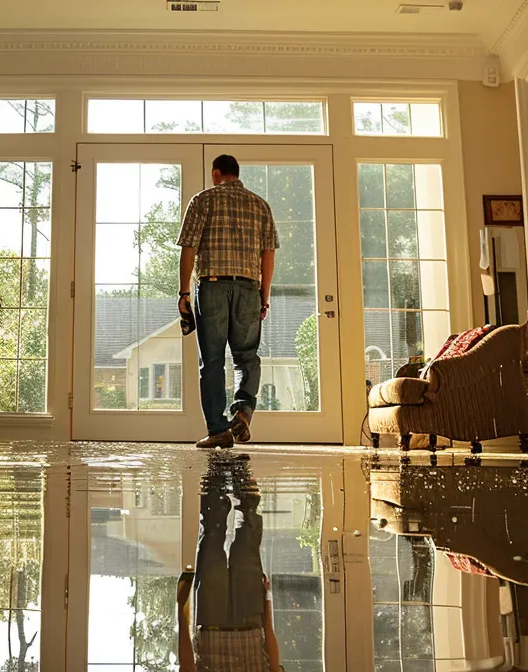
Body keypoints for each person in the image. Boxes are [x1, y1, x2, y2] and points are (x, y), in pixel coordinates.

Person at [178, 154, 279, 449]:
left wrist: (184, 293)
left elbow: (188, 248)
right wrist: (264, 295)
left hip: (212, 286)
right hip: (248, 288)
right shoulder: (260, 205)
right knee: (246, 357)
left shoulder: (203, 200)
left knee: (211, 361)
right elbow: (268, 254)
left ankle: (219, 429)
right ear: (237, 174)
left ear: (216, 173)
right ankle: (243, 411)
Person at [177, 453, 281, 672]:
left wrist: (181, 610)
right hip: (250, 620)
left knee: (212, 542)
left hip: (210, 621)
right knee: (247, 542)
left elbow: (187, 667)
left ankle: (215, 470)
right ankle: (241, 476)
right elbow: (272, 664)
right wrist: (267, 602)